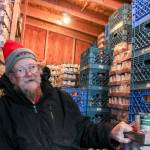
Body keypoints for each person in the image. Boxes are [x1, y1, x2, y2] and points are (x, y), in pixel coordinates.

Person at [0, 40, 133, 150]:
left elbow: (84, 131)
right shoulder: (4, 110)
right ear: (11, 77)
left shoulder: (61, 98)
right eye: (20, 70)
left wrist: (110, 132)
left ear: (39, 70)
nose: (29, 74)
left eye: (32, 67)